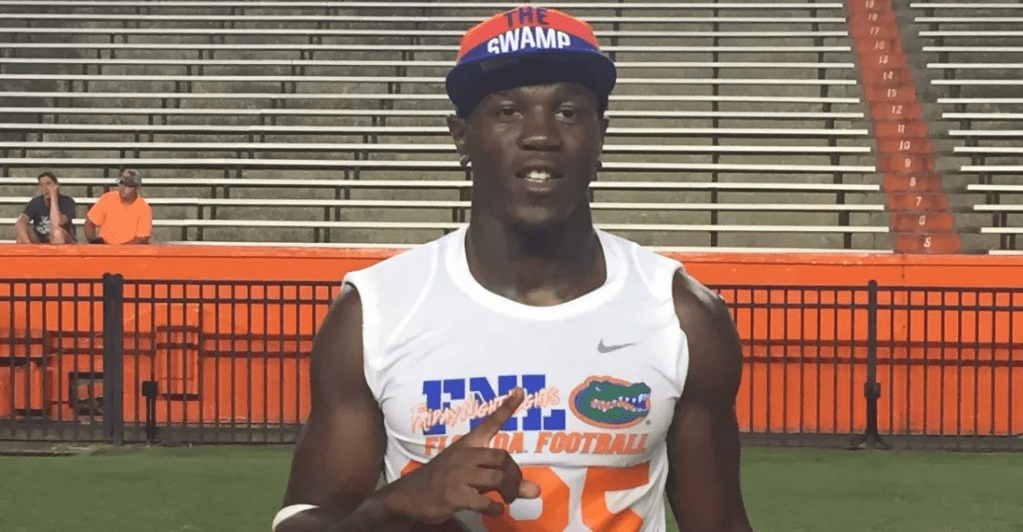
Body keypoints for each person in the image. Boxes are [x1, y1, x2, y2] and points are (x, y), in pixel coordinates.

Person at [276, 6, 753, 532]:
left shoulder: (682, 316)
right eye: (508, 111)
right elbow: (300, 522)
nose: (540, 135)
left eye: (567, 112)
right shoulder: (375, 313)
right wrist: (393, 505)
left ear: (601, 137)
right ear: (462, 137)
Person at [84, 169, 152, 245]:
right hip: (105, 248)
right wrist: (94, 242)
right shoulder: (107, 198)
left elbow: (141, 238)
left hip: (130, 250)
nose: (123, 188)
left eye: (129, 186)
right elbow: (89, 222)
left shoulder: (144, 208)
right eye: (121, 183)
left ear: (137, 188)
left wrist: (120, 250)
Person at [14, 171, 77, 245]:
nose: (45, 188)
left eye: (48, 184)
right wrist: (29, 244)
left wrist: (53, 197)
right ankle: (30, 250)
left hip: (65, 241)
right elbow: (22, 221)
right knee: (20, 228)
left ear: (56, 185)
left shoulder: (67, 201)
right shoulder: (36, 202)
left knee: (57, 232)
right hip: (40, 241)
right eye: (41, 185)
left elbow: (57, 223)